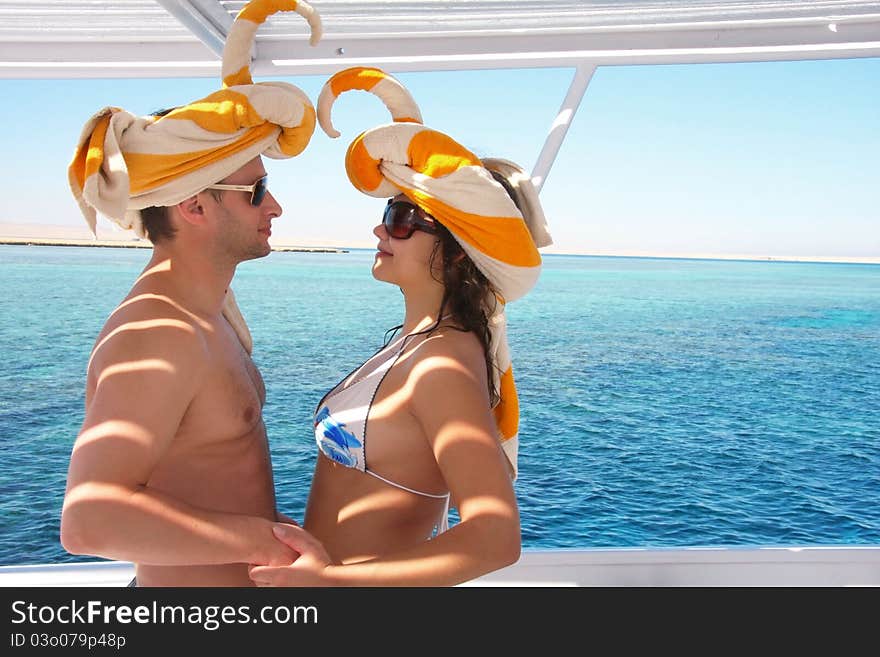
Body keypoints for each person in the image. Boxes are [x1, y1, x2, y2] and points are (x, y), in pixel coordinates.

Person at [248, 67, 553, 586]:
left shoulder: (441, 364)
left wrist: (330, 583)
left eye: (403, 217)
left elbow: (496, 537)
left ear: (459, 250)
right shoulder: (417, 344)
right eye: (391, 212)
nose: (380, 227)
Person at [59, 0, 323, 587]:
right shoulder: (158, 334)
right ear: (194, 206)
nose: (274, 206)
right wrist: (269, 545)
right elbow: (89, 517)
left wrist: (273, 535)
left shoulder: (209, 315)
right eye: (256, 191)